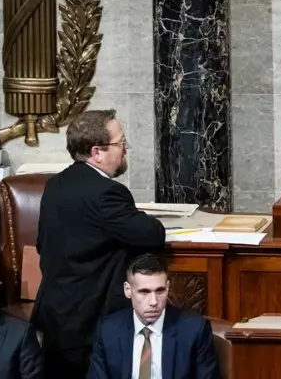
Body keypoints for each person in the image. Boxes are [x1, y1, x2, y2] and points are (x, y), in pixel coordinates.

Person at [33, 109, 168, 379]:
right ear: (97, 152)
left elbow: (42, 244)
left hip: (55, 315)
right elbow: (152, 234)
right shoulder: (107, 193)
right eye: (121, 143)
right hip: (88, 320)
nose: (125, 149)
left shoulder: (56, 184)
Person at [87, 254, 220, 379]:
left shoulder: (194, 330)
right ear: (128, 290)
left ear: (167, 288)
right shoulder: (108, 330)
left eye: (160, 290)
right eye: (144, 292)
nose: (154, 302)